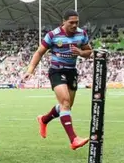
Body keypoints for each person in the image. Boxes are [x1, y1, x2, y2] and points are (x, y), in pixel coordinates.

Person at [22, 9, 92, 150]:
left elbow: (89, 52)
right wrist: (30, 70)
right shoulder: (53, 35)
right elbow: (39, 52)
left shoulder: (81, 34)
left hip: (71, 71)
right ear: (63, 22)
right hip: (56, 70)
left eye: (76, 22)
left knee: (66, 106)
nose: (74, 25)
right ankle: (74, 139)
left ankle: (44, 119)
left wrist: (81, 52)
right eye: (71, 22)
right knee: (65, 102)